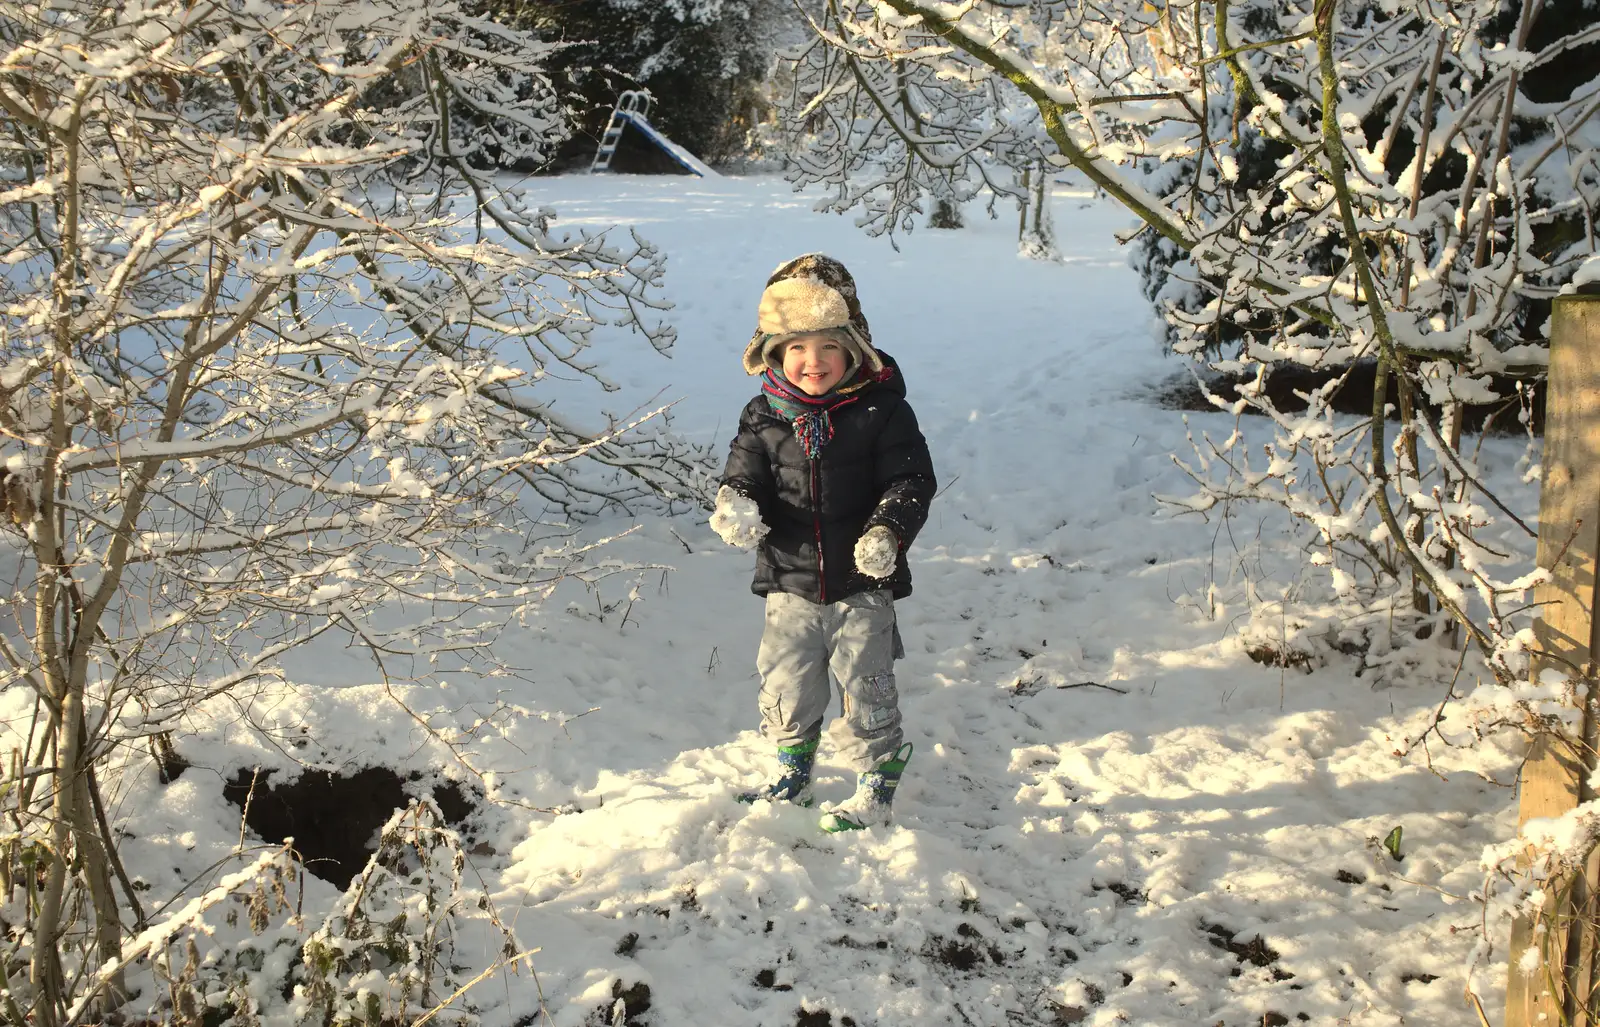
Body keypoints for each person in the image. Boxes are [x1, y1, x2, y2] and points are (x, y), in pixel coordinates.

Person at [710, 254, 937, 832]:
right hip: (789, 580)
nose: (813, 362)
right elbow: (744, 475)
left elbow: (911, 479)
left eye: (828, 348)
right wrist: (736, 503)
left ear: (854, 351)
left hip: (862, 581)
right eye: (797, 348)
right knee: (786, 679)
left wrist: (889, 529)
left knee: (867, 681)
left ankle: (876, 779)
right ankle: (793, 768)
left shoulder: (882, 412)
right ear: (775, 354)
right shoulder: (763, 414)